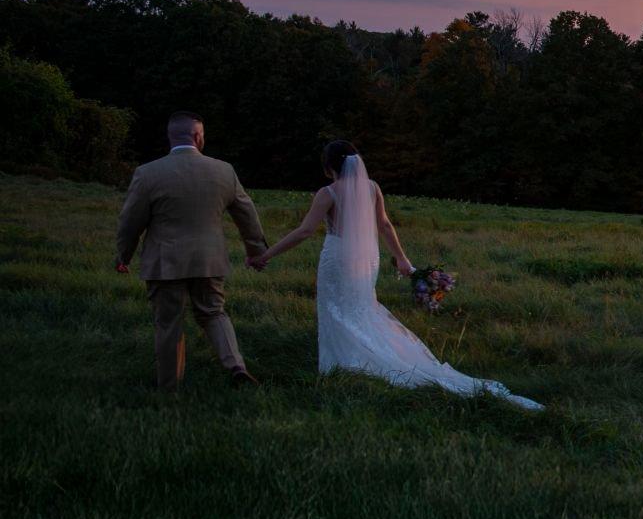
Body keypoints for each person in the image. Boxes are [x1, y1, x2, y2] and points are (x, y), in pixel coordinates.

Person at [253, 141, 540, 410]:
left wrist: (268, 254)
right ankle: (356, 358)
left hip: (338, 257)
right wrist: (402, 258)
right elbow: (385, 225)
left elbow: (305, 231)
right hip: (367, 258)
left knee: (335, 307)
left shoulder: (327, 193)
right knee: (360, 307)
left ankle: (342, 363)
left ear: (328, 167)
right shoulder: (372, 187)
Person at [115, 111, 268, 388]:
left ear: (170, 137)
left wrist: (123, 255)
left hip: (165, 261)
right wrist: (256, 250)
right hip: (209, 259)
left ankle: (169, 388)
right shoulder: (223, 170)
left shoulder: (148, 173)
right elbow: (247, 214)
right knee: (213, 313)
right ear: (198, 136)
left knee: (169, 322)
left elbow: (130, 221)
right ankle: (235, 365)